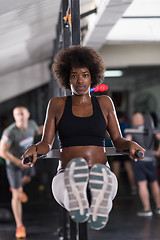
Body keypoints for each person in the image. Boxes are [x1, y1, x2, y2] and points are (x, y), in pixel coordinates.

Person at [22, 45, 145, 230]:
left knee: (106, 185)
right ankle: (76, 200)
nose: (80, 80)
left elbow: (118, 140)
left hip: (100, 169)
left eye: (85, 75)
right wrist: (34, 149)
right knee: (67, 191)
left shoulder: (104, 103)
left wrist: (131, 144)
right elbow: (46, 143)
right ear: (66, 78)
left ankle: (97, 206)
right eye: (74, 75)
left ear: (92, 77)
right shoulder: (57, 104)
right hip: (67, 171)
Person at [0, 106, 43, 238]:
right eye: (17, 114)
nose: (20, 117)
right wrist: (18, 162)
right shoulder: (10, 132)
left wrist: (55, 124)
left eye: (22, 114)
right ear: (14, 116)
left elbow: (39, 130)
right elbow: (2, 152)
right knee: (17, 197)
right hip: (14, 164)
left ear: (27, 114)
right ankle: (20, 226)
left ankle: (17, 188)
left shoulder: (31, 125)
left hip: (27, 162)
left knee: (29, 178)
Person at [126, 112, 160, 217]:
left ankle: (147, 209)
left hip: (140, 160)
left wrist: (130, 154)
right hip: (151, 160)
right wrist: (158, 152)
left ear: (135, 121)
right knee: (154, 183)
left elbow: (127, 142)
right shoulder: (152, 130)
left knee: (142, 184)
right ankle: (159, 208)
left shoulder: (132, 131)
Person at [111, 111, 137, 195]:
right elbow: (129, 138)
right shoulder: (127, 125)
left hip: (116, 149)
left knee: (115, 172)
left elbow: (110, 137)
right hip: (125, 149)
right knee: (129, 170)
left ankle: (113, 191)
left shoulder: (114, 127)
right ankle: (133, 188)